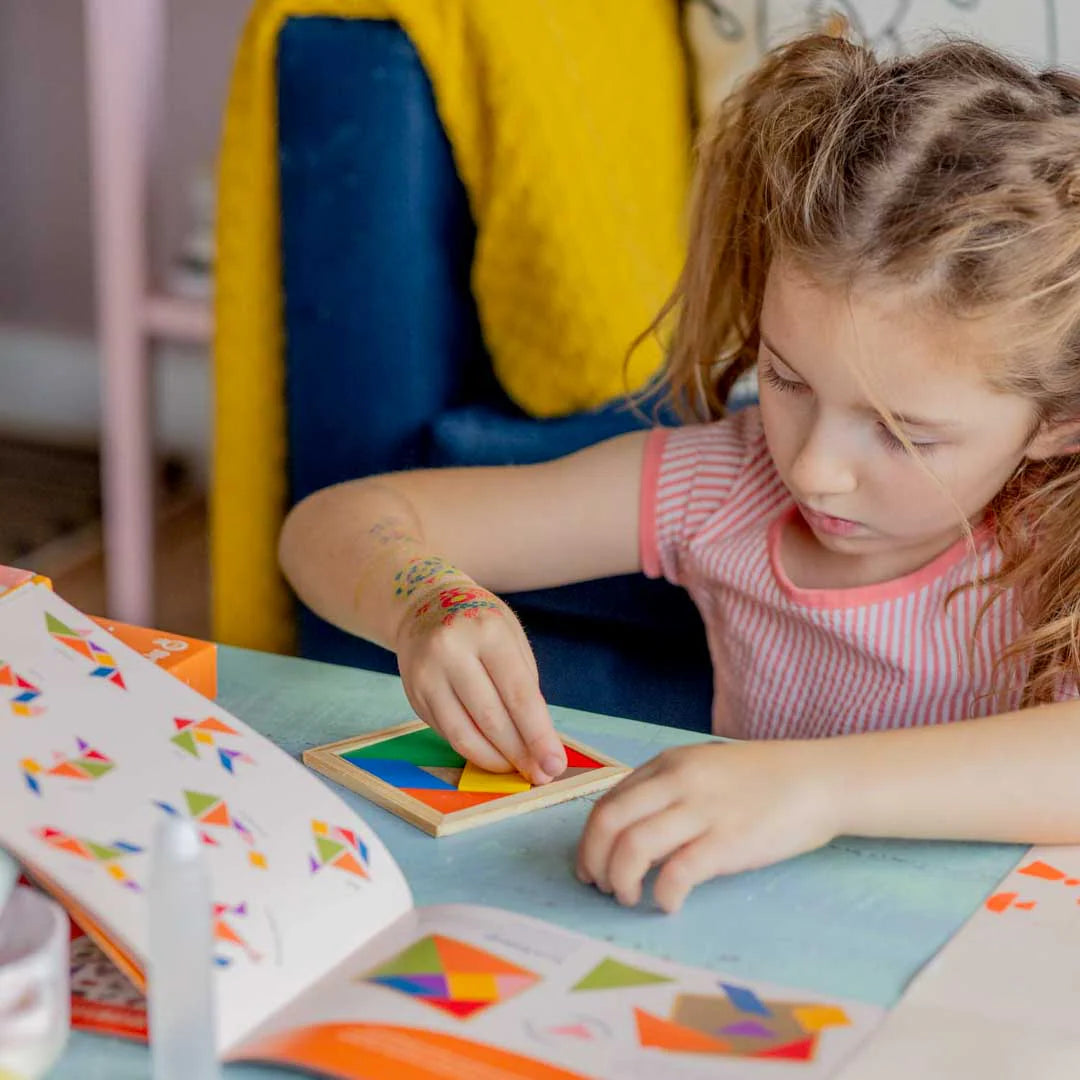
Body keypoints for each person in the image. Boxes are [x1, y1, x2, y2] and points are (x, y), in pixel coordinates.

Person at [279, 33, 1080, 913]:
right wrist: (428, 603)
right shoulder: (720, 487)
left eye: (903, 435)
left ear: (1058, 423)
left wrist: (812, 790)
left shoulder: (1056, 540)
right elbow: (336, 523)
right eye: (785, 379)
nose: (813, 470)